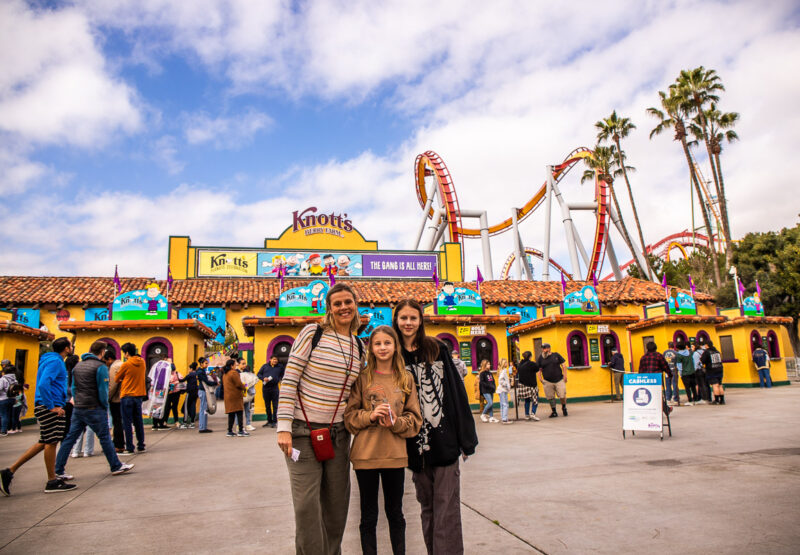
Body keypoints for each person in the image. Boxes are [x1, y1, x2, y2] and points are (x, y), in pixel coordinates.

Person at [276, 283, 364, 555]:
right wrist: (283, 427)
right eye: (337, 303)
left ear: (355, 305)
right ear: (329, 308)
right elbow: (290, 378)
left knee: (337, 508)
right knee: (306, 507)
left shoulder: (360, 346)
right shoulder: (312, 334)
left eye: (347, 301)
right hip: (302, 432)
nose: (343, 307)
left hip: (337, 435)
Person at [393, 298, 478, 555]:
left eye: (413, 318)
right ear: (396, 320)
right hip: (413, 447)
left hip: (445, 442)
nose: (408, 323)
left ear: (421, 321)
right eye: (403, 318)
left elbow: (455, 392)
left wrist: (466, 439)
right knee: (428, 507)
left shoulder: (436, 348)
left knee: (447, 509)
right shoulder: (391, 351)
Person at [344, 325, 422, 555]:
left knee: (395, 514)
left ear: (395, 346)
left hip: (395, 457)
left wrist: (395, 422)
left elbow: (414, 419)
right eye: (377, 343)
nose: (382, 347)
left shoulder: (406, 378)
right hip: (365, 456)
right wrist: (370, 415)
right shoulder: (362, 378)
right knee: (368, 516)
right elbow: (349, 418)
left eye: (387, 343)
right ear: (371, 347)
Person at [0, 337, 78, 495]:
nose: (72, 348)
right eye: (71, 346)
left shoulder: (50, 360)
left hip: (46, 404)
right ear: (67, 349)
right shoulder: (55, 362)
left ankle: (9, 471)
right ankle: (52, 481)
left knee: (44, 442)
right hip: (49, 406)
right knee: (51, 442)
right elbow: (43, 384)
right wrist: (52, 407)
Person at [55, 341, 134, 481]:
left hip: (78, 407)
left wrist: (77, 401)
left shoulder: (78, 366)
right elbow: (103, 390)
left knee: (70, 438)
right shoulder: (100, 367)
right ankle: (115, 466)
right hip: (94, 407)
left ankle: (58, 469)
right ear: (102, 352)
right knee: (104, 437)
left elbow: (73, 387)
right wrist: (104, 406)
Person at [116, 343, 146, 455]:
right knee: (138, 421)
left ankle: (129, 446)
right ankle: (141, 444)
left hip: (127, 395)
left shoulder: (126, 364)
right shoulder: (142, 362)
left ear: (127, 353)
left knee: (127, 422)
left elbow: (116, 378)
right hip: (139, 395)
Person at [637, 342, 672, 416]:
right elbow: (665, 366)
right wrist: (670, 374)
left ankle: (664, 409)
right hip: (656, 379)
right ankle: (665, 409)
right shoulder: (658, 356)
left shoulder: (643, 357)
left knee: (649, 395)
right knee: (657, 395)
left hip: (646, 380)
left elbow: (640, 370)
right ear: (655, 347)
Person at [537, 344, 568, 418]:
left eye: (545, 348)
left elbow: (563, 365)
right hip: (547, 381)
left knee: (562, 395)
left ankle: (564, 407)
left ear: (549, 348)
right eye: (543, 349)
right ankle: (554, 411)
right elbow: (539, 369)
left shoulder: (556, 355)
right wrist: (540, 378)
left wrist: (565, 375)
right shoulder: (541, 358)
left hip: (559, 379)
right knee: (550, 397)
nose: (544, 350)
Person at [104, 349, 125, 452]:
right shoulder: (123, 364)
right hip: (125, 396)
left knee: (117, 423)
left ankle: (118, 444)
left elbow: (112, 385)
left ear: (109, 359)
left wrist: (107, 397)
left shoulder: (114, 367)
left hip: (116, 398)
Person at [258, 355, 285, 428]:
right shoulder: (265, 366)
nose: (275, 361)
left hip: (274, 388)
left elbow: (283, 374)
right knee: (267, 405)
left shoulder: (280, 367)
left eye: (276, 359)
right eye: (274, 359)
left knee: (275, 405)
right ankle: (269, 421)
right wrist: (263, 378)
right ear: (270, 359)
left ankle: (274, 421)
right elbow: (259, 374)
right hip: (266, 388)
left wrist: (278, 379)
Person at [222, 359, 247, 437]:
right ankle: (240, 430)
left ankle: (230, 430)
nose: (236, 366)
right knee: (239, 413)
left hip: (228, 396)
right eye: (235, 365)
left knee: (231, 414)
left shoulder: (225, 374)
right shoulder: (234, 373)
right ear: (231, 366)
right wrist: (245, 386)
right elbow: (239, 384)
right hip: (235, 396)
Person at [516, 351, 540, 421]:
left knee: (527, 400)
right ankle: (533, 413)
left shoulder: (520, 364)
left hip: (523, 385)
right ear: (530, 356)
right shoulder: (532, 364)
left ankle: (527, 415)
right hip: (532, 385)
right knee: (535, 400)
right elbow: (537, 369)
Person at [196, 358, 217, 433]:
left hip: (203, 390)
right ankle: (202, 427)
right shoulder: (200, 372)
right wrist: (215, 383)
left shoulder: (201, 371)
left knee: (204, 408)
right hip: (203, 391)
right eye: (205, 363)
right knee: (203, 409)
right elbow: (206, 382)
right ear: (201, 364)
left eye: (207, 363)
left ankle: (204, 426)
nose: (207, 365)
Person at [0, 365, 19, 436]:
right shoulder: (15, 379)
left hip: (3, 399)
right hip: (12, 399)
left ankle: (3, 431)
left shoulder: (3, 379)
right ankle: (8, 428)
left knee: (3, 415)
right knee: (8, 414)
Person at [239, 359, 257, 431]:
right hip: (240, 393)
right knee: (239, 411)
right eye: (243, 364)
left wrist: (247, 386)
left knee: (247, 409)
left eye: (245, 364)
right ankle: (239, 425)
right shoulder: (236, 373)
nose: (244, 365)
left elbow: (250, 382)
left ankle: (248, 424)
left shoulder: (248, 373)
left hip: (247, 393)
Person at [497, 358, 514, 424]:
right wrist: (506, 385)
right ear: (504, 364)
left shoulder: (502, 371)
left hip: (501, 390)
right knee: (505, 404)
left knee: (502, 404)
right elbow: (501, 381)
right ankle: (505, 419)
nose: (507, 364)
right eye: (506, 363)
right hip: (503, 390)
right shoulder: (503, 371)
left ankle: (503, 418)